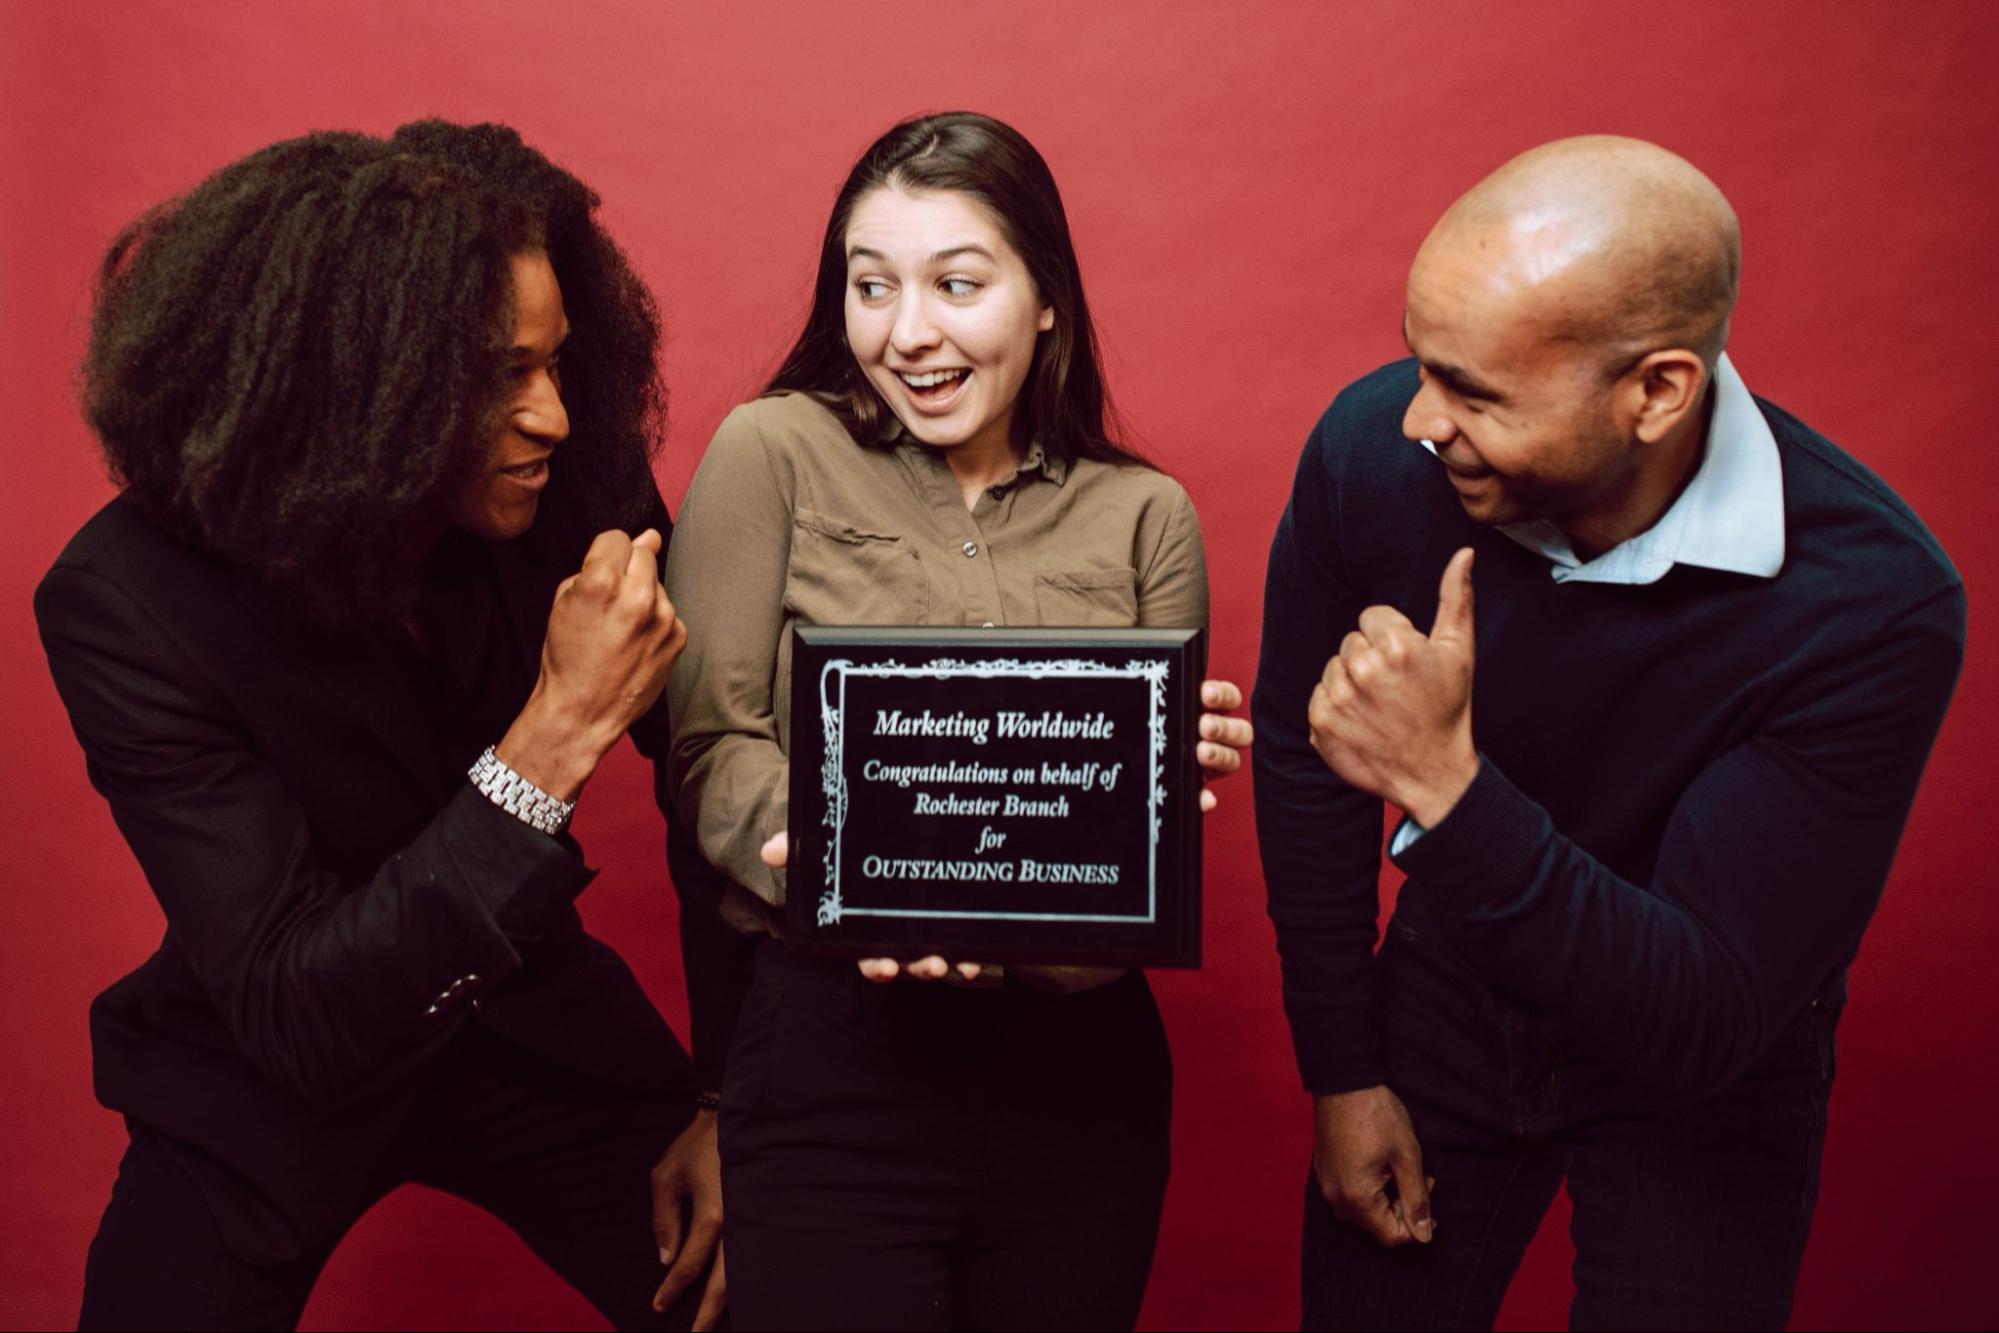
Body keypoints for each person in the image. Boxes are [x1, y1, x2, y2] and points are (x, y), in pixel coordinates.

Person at [1253, 135, 1965, 1331]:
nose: (1422, 418)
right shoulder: (1376, 455)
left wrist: (1445, 784)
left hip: (1710, 1050)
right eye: (1422, 362)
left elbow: (1696, 1017)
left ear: (1655, 392)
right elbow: (1297, 752)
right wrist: (1343, 1068)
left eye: (1476, 392)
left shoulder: (1871, 605)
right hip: (1446, 994)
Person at [36, 121, 723, 1331]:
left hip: (531, 1015)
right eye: (500, 374)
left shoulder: (577, 481)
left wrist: (736, 1097)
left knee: (757, 1278)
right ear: (360, 384)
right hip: (273, 1051)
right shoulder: (126, 602)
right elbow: (299, 1009)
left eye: (557, 362)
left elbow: (728, 787)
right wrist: (557, 731)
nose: (554, 417)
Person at [662, 111, 1251, 1331]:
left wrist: (1144, 813)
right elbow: (713, 749)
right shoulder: (770, 451)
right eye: (869, 286)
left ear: (1046, 302)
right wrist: (871, 874)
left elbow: (1128, 881)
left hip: (1079, 1080)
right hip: (834, 1058)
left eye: (957, 283)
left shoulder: (1146, 518)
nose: (905, 331)